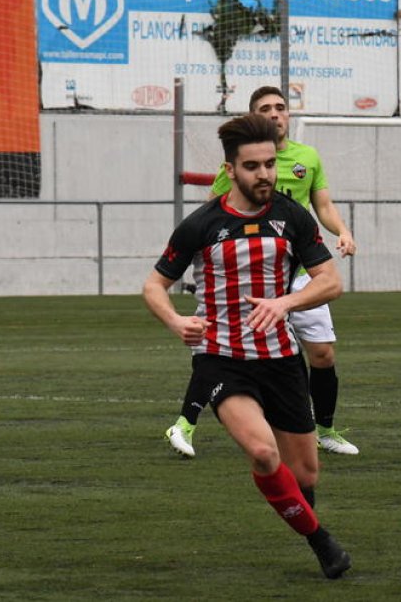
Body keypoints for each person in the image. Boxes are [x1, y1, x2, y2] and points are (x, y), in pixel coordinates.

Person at [143, 114, 352, 579]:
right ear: (231, 169)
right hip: (223, 361)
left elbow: (331, 282)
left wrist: (286, 303)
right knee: (262, 453)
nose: (265, 175)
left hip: (281, 359)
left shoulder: (292, 217)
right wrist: (177, 320)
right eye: (253, 166)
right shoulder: (202, 224)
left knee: (306, 477)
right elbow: (154, 285)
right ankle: (322, 543)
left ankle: (306, 524)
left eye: (270, 165)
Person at [165, 86, 360, 458]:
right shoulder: (240, 164)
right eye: (265, 109)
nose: (275, 114)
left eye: (280, 107)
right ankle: (186, 424)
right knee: (222, 350)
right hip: (250, 276)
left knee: (322, 354)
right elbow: (213, 216)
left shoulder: (308, 158)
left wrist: (344, 231)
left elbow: (324, 206)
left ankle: (325, 430)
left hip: (301, 274)